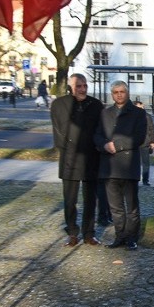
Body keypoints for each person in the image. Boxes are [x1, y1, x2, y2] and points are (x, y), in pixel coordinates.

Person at [50, 73, 104, 247]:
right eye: (78, 86)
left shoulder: (95, 105)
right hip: (70, 159)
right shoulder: (59, 105)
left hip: (90, 159)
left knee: (90, 199)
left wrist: (97, 147)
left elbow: (101, 130)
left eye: (84, 86)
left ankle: (89, 233)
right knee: (70, 199)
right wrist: (67, 148)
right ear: (71, 87)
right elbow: (58, 130)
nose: (82, 89)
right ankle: (72, 232)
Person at [94, 81, 147, 250]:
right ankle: (120, 235)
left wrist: (116, 145)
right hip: (109, 167)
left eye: (122, 91)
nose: (119, 94)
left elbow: (138, 137)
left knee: (131, 207)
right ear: (112, 94)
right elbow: (97, 135)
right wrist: (103, 145)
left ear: (127, 93)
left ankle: (132, 237)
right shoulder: (105, 114)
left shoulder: (138, 114)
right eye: (115, 92)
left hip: (128, 165)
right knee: (115, 207)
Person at [134, 100, 154, 186]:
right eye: (140, 107)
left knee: (145, 163)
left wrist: (153, 141)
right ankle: (135, 180)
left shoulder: (147, 116)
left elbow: (152, 129)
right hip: (134, 143)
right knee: (134, 163)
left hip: (145, 142)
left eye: (143, 107)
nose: (142, 108)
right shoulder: (131, 116)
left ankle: (145, 180)